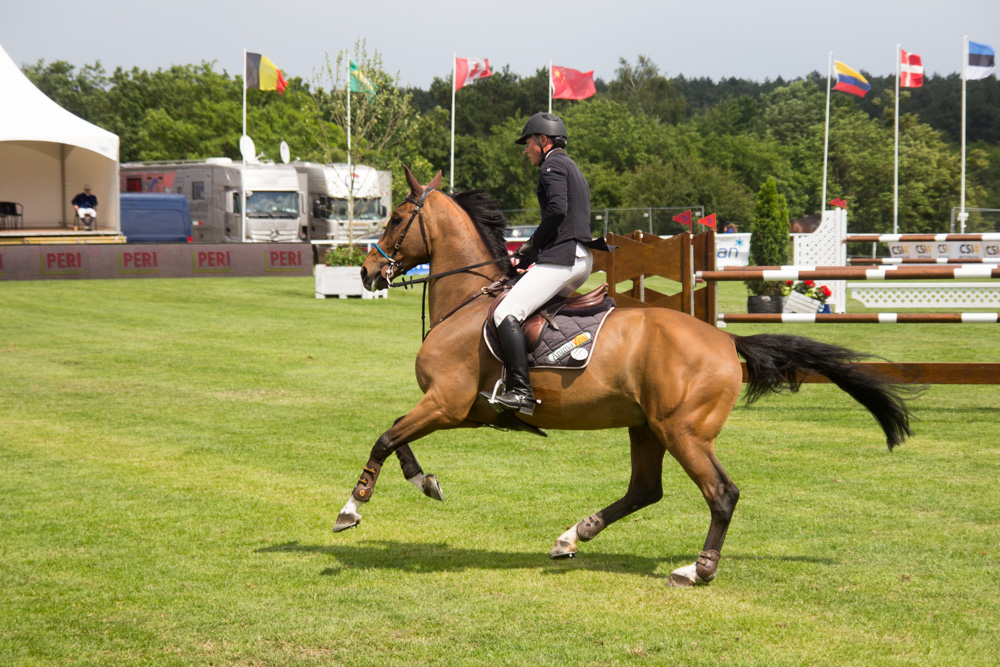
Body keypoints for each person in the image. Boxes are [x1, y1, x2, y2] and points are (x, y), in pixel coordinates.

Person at [481, 112, 607, 416]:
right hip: (577, 257)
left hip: (565, 258)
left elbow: (556, 211)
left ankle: (522, 392)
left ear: (543, 141)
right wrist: (533, 256)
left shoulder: (551, 166)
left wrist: (532, 245)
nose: (526, 150)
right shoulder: (570, 166)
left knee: (506, 311)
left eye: (528, 143)